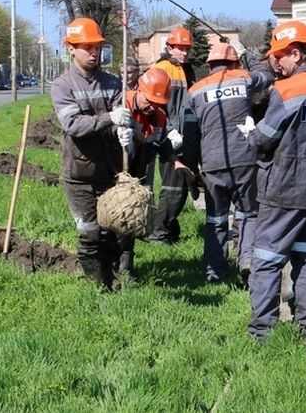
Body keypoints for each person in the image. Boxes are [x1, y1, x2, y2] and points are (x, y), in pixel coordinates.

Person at [242, 20, 306, 343]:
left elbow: (265, 138)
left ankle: (262, 333)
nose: (276, 63)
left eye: (280, 57)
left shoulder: (286, 91)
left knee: (267, 259)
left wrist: (250, 133)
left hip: (284, 190)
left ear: (295, 54)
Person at [189, 42, 273, 286]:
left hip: (212, 163)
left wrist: (192, 166)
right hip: (245, 159)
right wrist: (250, 56)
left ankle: (214, 272)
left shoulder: (194, 91)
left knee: (215, 219)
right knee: (248, 214)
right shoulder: (243, 79)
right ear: (235, 62)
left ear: (209, 65)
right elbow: (266, 76)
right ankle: (247, 260)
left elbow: (191, 132)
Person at [51, 17, 124, 290]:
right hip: (79, 173)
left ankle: (112, 278)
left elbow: (121, 117)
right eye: (87, 47)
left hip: (109, 170)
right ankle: (96, 285)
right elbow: (73, 125)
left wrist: (126, 130)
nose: (94, 53)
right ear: (71, 48)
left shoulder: (113, 82)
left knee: (110, 230)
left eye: (97, 47)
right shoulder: (62, 86)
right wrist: (110, 118)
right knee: (89, 232)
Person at [109, 66, 180, 282]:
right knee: (112, 220)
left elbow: (158, 143)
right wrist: (118, 136)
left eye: (158, 103)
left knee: (132, 218)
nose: (152, 107)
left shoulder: (158, 116)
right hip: (113, 170)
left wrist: (171, 152)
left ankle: (126, 268)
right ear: (139, 90)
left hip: (138, 172)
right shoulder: (124, 104)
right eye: (149, 100)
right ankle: (108, 266)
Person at [147, 26, 201, 244]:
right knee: (174, 189)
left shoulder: (186, 70)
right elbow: (158, 105)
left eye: (187, 48)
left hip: (184, 136)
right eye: (180, 48)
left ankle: (169, 230)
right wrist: (168, 131)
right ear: (169, 47)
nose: (184, 52)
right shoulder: (162, 69)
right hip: (170, 137)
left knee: (179, 188)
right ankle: (158, 233)